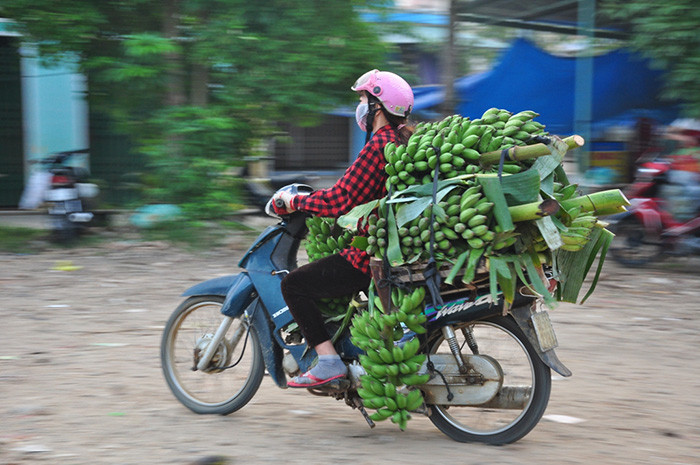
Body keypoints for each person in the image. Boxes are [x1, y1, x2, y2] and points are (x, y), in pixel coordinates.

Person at [272, 69, 414, 388]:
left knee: (294, 285)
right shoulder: (399, 142)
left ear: (379, 106)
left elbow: (340, 200)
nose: (360, 105)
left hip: (369, 256)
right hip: (389, 248)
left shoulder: (379, 145)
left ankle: (328, 361)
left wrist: (297, 202)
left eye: (364, 98)